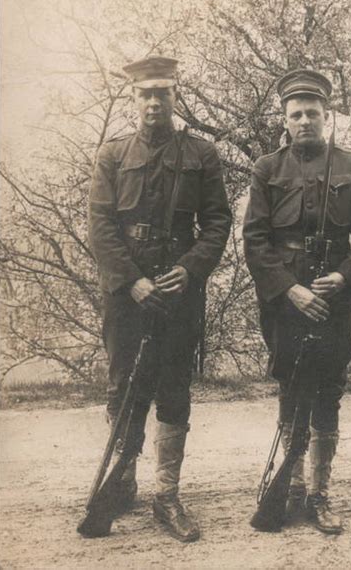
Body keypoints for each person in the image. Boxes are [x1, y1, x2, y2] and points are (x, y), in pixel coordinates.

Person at [88, 56, 231, 543]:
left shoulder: (202, 154)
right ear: (133, 98)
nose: (154, 102)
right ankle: (121, 477)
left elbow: (217, 223)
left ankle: (166, 494)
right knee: (122, 385)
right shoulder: (112, 154)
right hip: (126, 292)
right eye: (145, 93)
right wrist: (131, 280)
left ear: (175, 95)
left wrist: (188, 270)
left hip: (178, 288)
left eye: (162, 93)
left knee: (174, 386)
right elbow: (101, 226)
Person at [243, 69, 351, 534]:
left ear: (327, 116)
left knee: (327, 390)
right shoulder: (267, 168)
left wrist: (344, 277)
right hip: (286, 301)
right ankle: (291, 488)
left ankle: (320, 494)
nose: (304, 120)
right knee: (290, 385)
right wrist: (290, 288)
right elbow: (255, 239)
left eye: (313, 113)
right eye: (295, 114)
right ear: (284, 119)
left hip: (336, 303)